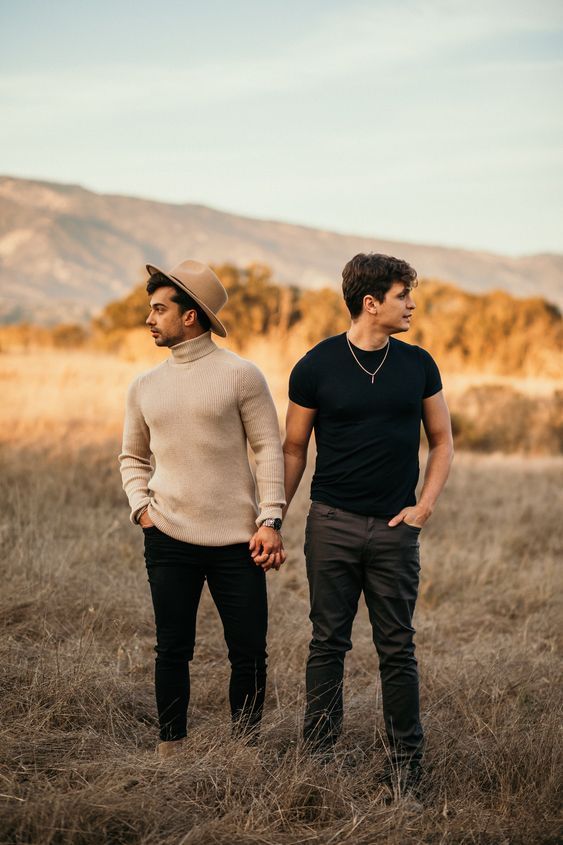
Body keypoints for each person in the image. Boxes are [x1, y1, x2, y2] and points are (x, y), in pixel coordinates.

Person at [283, 252, 453, 791]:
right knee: (328, 642)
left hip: (396, 529)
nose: (412, 305)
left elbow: (443, 440)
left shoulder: (419, 364)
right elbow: (293, 449)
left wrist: (423, 507)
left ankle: (407, 766)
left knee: (397, 647)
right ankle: (318, 760)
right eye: (404, 296)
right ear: (371, 302)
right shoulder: (315, 366)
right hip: (330, 522)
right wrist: (271, 517)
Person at [119, 259, 286, 759]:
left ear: (190, 316)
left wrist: (270, 518)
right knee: (172, 649)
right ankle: (172, 749)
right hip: (167, 535)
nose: (149, 318)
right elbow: (132, 456)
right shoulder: (144, 385)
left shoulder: (241, 375)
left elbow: (269, 448)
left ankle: (246, 749)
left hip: (238, 540)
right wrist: (142, 511)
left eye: (159, 309)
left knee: (249, 653)